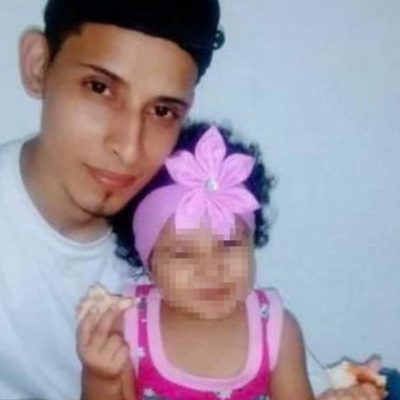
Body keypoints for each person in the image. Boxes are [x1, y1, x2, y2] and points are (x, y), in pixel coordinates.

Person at [0, 1, 224, 399]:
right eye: (100, 88)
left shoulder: (175, 234)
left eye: (162, 111)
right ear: (38, 66)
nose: (129, 147)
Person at [77, 123, 386, 400]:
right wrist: (100, 377)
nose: (212, 269)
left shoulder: (277, 329)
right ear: (149, 264)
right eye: (183, 253)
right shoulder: (128, 326)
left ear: (251, 242)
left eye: (228, 244)